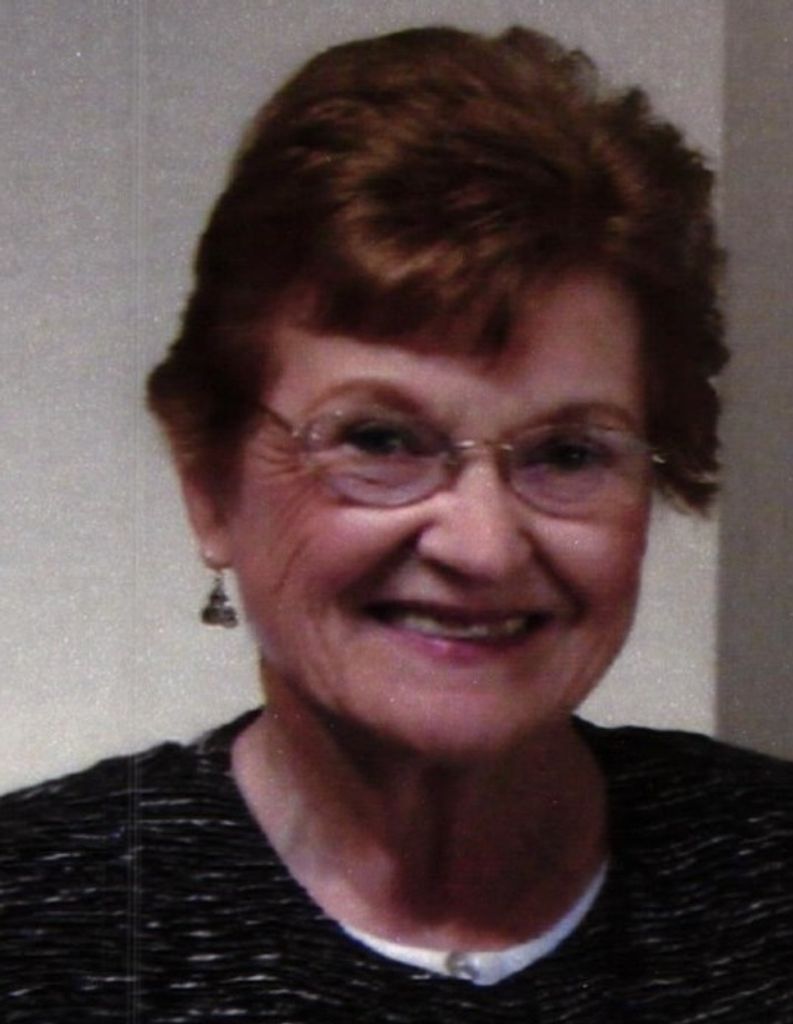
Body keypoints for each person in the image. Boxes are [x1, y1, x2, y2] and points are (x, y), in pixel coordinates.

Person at [3, 23, 793, 1023]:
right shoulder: (36, 927)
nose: (482, 546)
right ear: (208, 483)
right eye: (378, 440)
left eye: (567, 453)